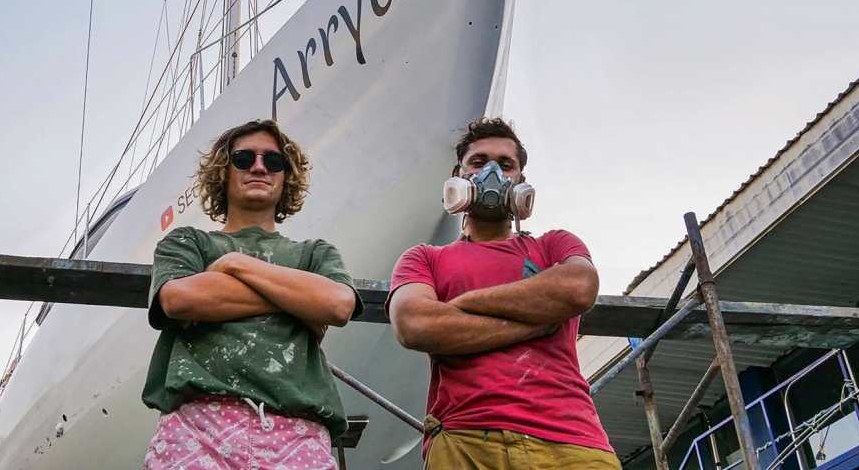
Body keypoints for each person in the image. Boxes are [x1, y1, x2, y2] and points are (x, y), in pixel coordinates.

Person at [386, 117, 620, 469]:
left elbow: (579, 287)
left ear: (520, 182)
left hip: (572, 443)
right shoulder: (424, 258)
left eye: (506, 165)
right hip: (465, 441)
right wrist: (538, 320)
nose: (492, 172)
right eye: (478, 162)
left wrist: (460, 306)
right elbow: (414, 324)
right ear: (458, 175)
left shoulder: (555, 244)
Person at [141, 119, 362, 470]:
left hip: (296, 428)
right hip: (198, 424)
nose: (259, 166)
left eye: (273, 161)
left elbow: (337, 304)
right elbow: (178, 300)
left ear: (285, 176)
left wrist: (233, 265)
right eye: (244, 159)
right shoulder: (188, 242)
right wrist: (298, 299)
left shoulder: (315, 252)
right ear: (223, 173)